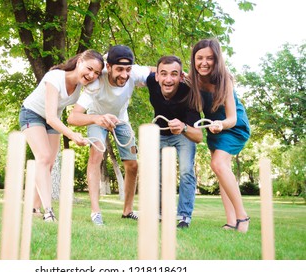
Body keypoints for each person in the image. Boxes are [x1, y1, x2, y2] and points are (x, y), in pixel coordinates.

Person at [67, 45, 153, 226]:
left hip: (121, 120)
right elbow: (73, 117)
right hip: (97, 118)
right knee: (96, 154)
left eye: (128, 69)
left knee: (132, 164)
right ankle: (95, 212)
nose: (124, 74)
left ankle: (128, 210)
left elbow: (158, 70)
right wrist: (98, 119)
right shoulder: (96, 82)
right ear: (109, 66)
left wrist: (185, 75)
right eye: (119, 69)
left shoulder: (134, 73)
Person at [19, 49, 104, 222]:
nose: (91, 75)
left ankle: (34, 207)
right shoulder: (55, 77)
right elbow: (50, 117)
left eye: (96, 73)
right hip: (32, 114)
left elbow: (112, 65)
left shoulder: (83, 86)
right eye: (89, 69)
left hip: (53, 119)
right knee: (43, 157)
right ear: (79, 61)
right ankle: (49, 212)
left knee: (48, 163)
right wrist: (73, 135)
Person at [187, 38, 251, 233]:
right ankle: (231, 221)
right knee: (222, 170)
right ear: (194, 59)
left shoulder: (225, 79)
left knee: (218, 164)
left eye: (209, 58)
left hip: (233, 127)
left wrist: (221, 124)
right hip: (214, 130)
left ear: (217, 60)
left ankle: (242, 217)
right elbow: (162, 70)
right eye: (199, 58)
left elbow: (231, 118)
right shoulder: (192, 79)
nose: (204, 62)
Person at [147, 55, 203, 229]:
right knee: (157, 174)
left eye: (174, 74)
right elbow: (135, 70)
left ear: (181, 77)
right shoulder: (151, 81)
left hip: (183, 134)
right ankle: (161, 213)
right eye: (163, 74)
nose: (168, 79)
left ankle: (184, 216)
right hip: (160, 133)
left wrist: (184, 128)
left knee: (186, 170)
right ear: (156, 76)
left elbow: (199, 136)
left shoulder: (189, 94)